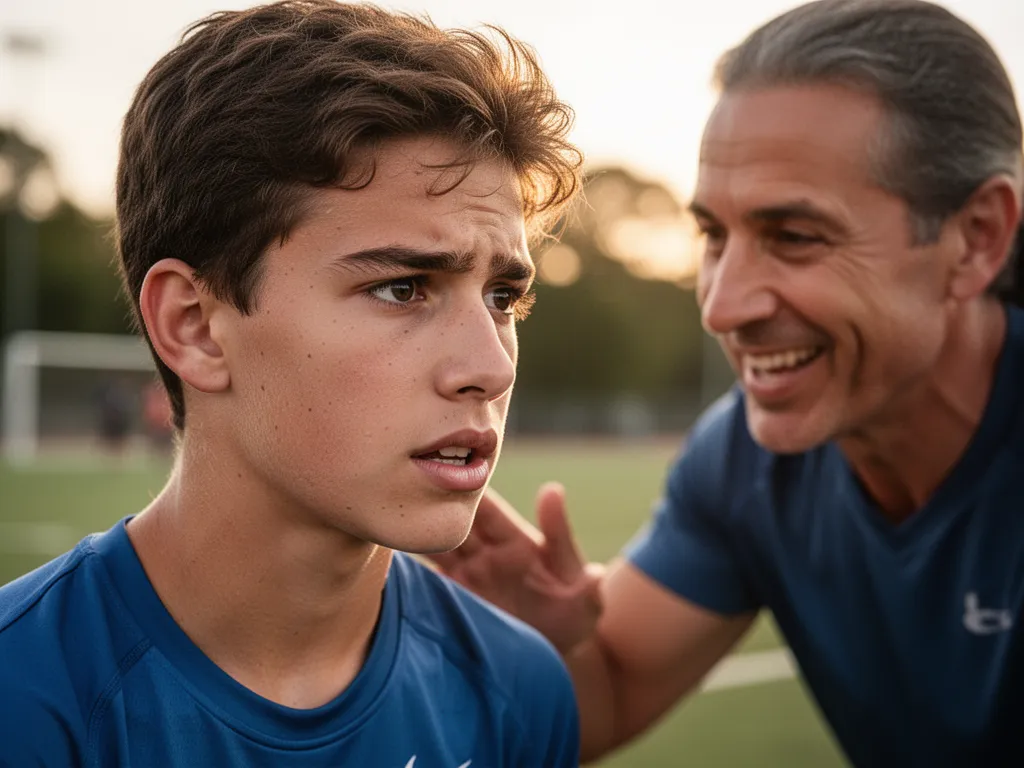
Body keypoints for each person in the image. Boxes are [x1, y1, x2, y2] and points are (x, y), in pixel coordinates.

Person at [430, 1, 1024, 765]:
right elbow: (605, 698)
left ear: (976, 240)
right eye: (714, 234)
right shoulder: (747, 460)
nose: (722, 305)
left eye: (796, 237)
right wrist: (555, 644)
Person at [0, 2, 583, 766]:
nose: (492, 365)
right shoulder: (25, 697)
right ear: (195, 326)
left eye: (502, 298)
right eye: (404, 288)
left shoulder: (520, 690)